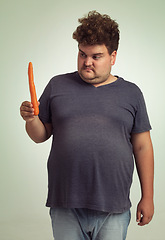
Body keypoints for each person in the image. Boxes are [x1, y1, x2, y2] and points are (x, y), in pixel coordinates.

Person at [20, 11, 154, 240]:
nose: (87, 62)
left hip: (114, 206)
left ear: (113, 56)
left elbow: (142, 147)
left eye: (96, 56)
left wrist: (148, 197)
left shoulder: (131, 93)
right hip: (66, 205)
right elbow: (40, 135)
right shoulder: (57, 85)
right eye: (82, 54)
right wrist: (31, 119)